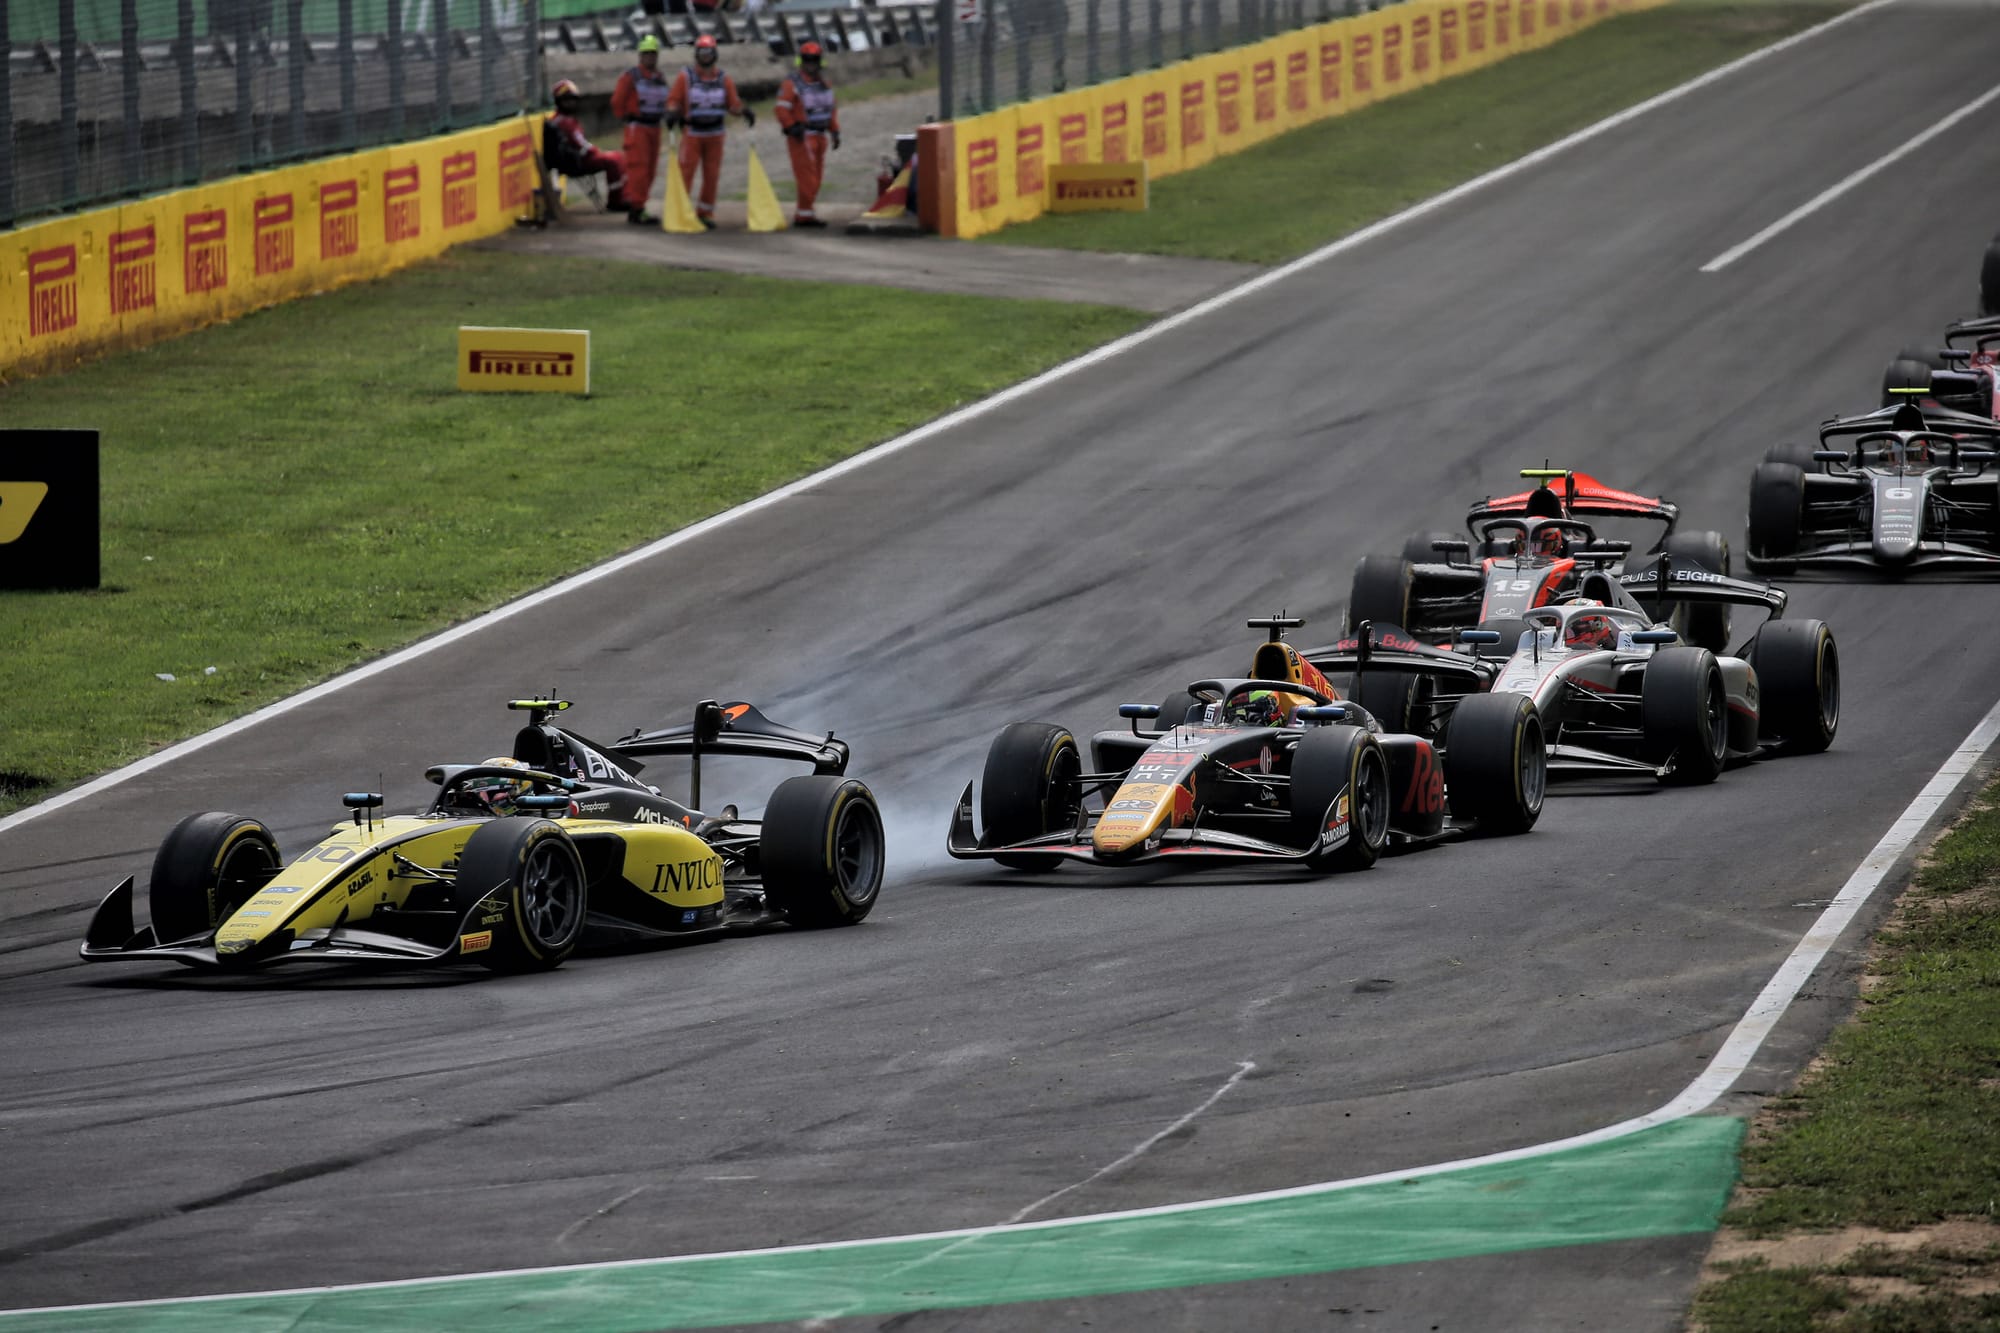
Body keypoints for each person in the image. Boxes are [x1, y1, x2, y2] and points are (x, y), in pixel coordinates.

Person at [666, 34, 755, 230]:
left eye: (708, 52)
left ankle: (705, 213)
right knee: (685, 173)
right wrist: (672, 112)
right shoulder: (686, 77)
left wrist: (745, 111)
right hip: (693, 133)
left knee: (712, 175)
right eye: (702, 52)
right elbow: (674, 100)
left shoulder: (723, 78)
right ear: (696, 54)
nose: (705, 56)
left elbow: (733, 104)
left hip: (715, 133)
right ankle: (680, 210)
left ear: (715, 54)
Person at [774, 41, 841, 228]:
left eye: (814, 60)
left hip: (820, 136)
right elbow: (781, 109)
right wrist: (791, 126)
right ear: (801, 61)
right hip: (802, 137)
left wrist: (835, 131)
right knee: (808, 179)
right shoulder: (791, 84)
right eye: (807, 59)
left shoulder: (825, 85)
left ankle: (804, 215)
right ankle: (804, 215)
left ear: (820, 62)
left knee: (816, 178)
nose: (810, 63)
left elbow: (831, 110)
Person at [611, 35, 672, 224]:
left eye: (652, 54)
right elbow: (617, 101)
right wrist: (627, 117)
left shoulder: (659, 78)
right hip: (638, 128)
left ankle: (640, 205)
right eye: (646, 54)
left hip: (654, 127)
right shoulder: (631, 77)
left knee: (651, 169)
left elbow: (667, 101)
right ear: (640, 55)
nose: (650, 57)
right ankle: (637, 208)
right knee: (639, 168)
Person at [544, 80, 627, 211]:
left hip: (576, 158)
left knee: (618, 157)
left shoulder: (561, 119)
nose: (571, 103)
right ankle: (616, 201)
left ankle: (622, 197)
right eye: (566, 100)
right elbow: (581, 144)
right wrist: (596, 151)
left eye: (572, 100)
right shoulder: (565, 122)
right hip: (577, 161)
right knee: (613, 160)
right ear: (559, 101)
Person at [463, 757, 534, 817]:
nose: (483, 799)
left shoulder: (535, 822)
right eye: (479, 792)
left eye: (492, 793)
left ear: (517, 792)